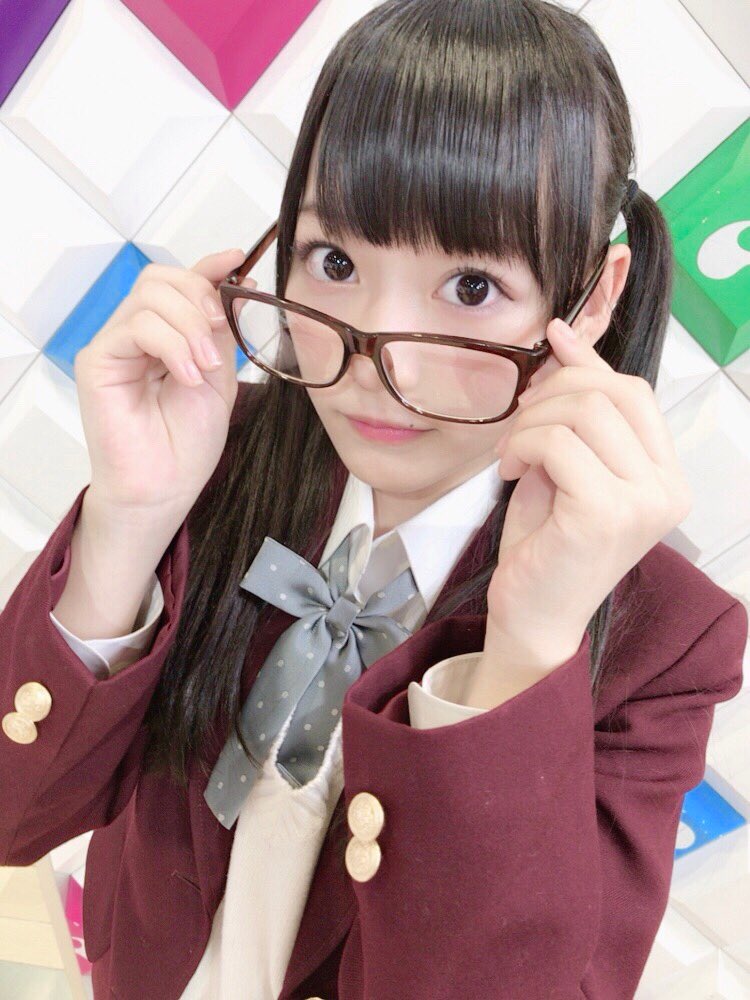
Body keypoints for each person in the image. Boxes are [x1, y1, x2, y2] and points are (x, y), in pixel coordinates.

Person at [1, 1, 746, 997]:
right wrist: (128, 518)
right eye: (338, 263)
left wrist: (523, 660)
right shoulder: (212, 448)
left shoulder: (667, 639)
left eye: (471, 287)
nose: (378, 366)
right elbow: (14, 812)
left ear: (594, 296)